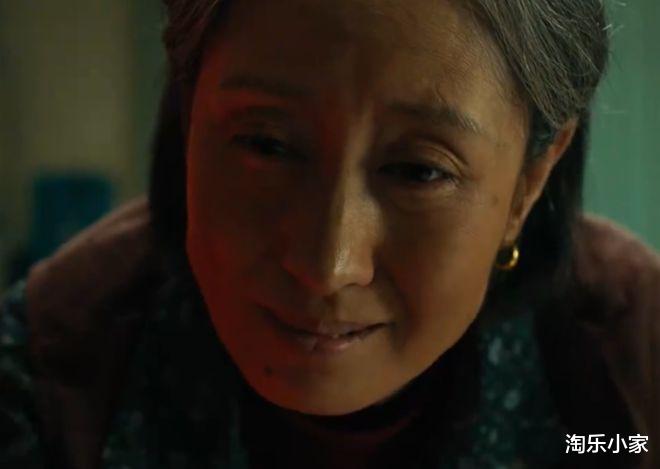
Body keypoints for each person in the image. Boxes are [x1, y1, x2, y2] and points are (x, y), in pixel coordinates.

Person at [1, 0, 659, 468]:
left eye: (419, 170)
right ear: (188, 113)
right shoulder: (51, 379)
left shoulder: (630, 383)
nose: (327, 264)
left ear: (530, 181)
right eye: (265, 144)